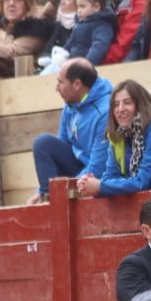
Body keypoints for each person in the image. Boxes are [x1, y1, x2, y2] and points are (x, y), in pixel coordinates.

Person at [78, 79, 151, 197]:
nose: (120, 109)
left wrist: (100, 186)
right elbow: (111, 176)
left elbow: (142, 183)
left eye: (127, 102)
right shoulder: (120, 135)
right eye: (116, 105)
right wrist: (90, 185)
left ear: (141, 105)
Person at [29, 58, 112, 202]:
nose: (57, 88)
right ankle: (46, 197)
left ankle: (54, 201)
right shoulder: (71, 103)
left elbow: (99, 166)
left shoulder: (104, 112)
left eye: (61, 82)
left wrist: (67, 189)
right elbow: (62, 144)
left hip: (98, 176)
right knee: (43, 143)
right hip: (78, 170)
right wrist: (41, 191)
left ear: (77, 84)